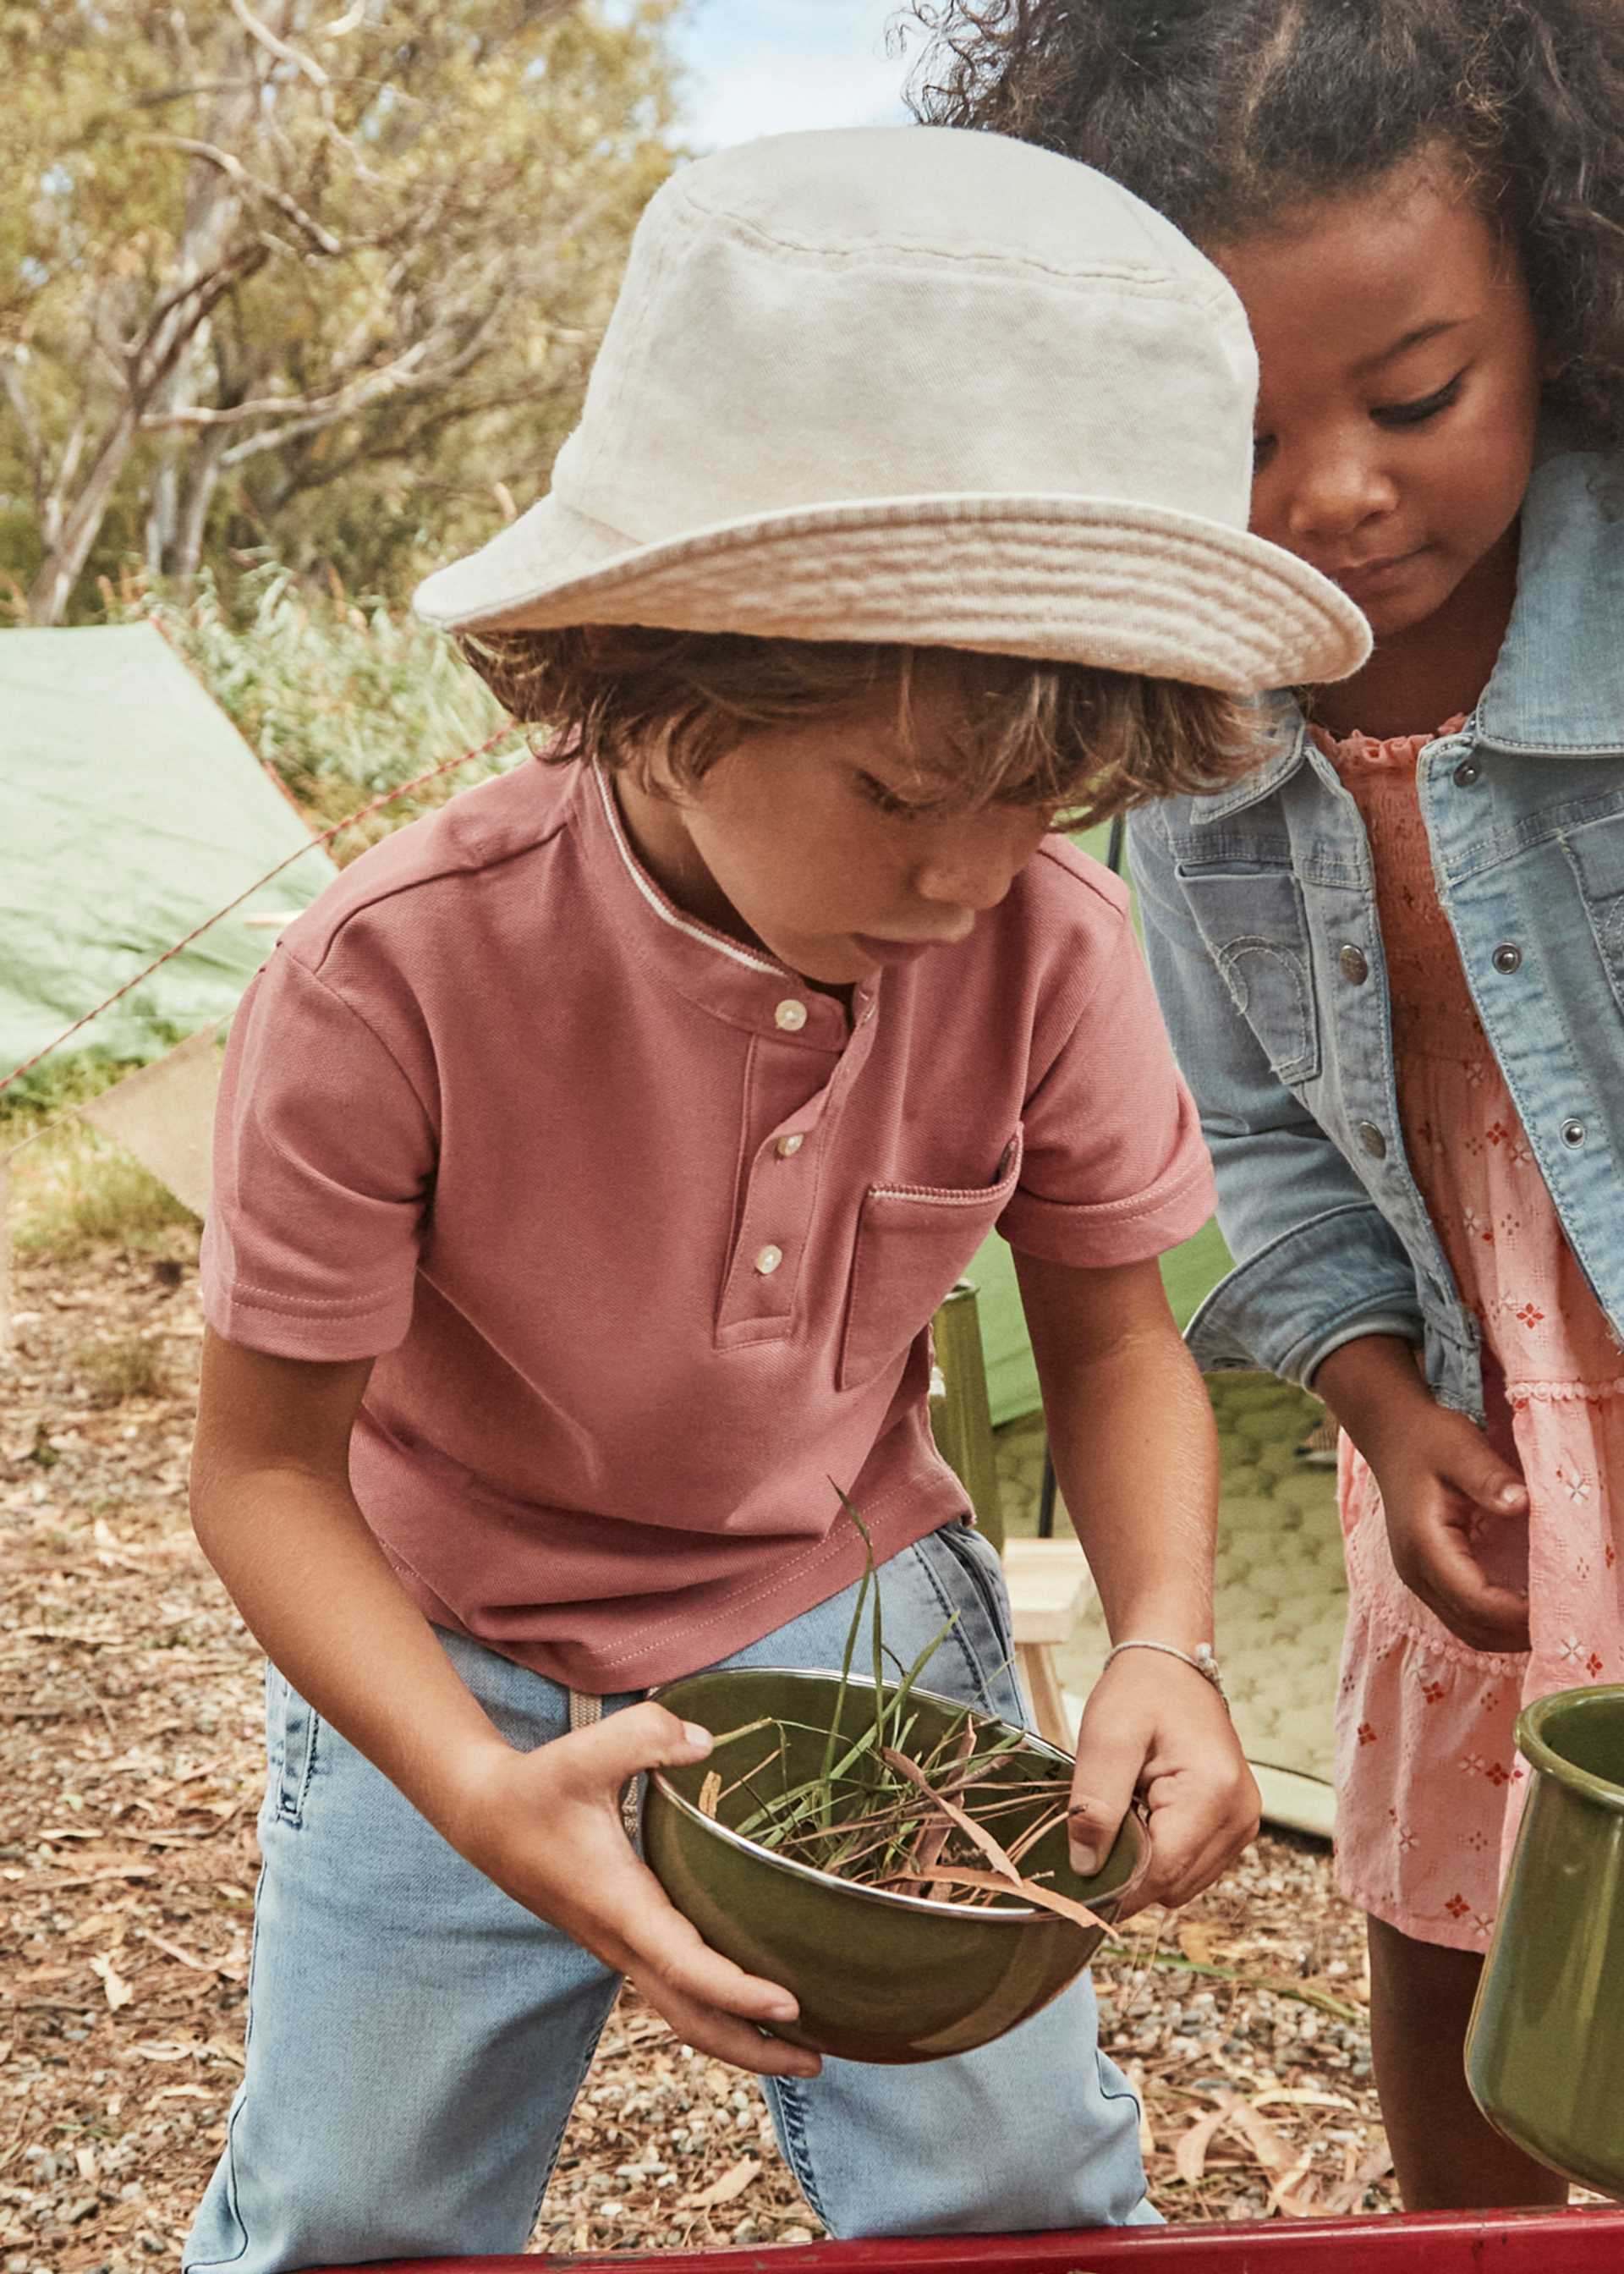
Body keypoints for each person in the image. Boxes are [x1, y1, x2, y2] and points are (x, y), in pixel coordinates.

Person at [182, 124, 1364, 2270]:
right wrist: (474, 1791)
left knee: (1012, 2196)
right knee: (353, 2217)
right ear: (655, 675)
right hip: (454, 1638)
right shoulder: (392, 980)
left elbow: (1116, 1340)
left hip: (846, 1609)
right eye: (897, 792)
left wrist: (1168, 1640)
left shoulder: (1048, 947)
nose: (962, 876)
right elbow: (264, 1473)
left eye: (1040, 804)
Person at [911, 0, 1624, 2216]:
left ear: (1560, 294)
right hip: (1481, 1413)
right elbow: (1266, 1142)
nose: (1329, 496)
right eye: (1231, 434)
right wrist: (1381, 1406)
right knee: (1458, 1912)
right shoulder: (1201, 735)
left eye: (1415, 398)